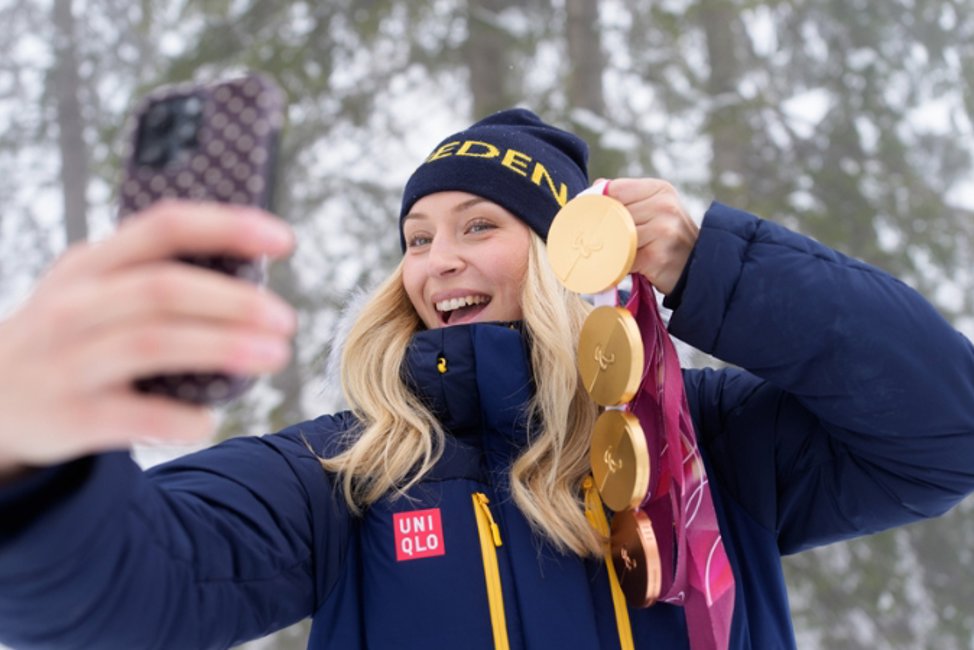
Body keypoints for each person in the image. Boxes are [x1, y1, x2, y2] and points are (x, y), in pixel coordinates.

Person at [1, 108, 973, 650]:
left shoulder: (701, 442)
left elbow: (941, 429)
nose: (437, 262)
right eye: (416, 240)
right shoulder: (341, 474)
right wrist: (26, 454)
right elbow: (120, 593)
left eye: (477, 227)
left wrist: (716, 266)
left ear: (568, 255)